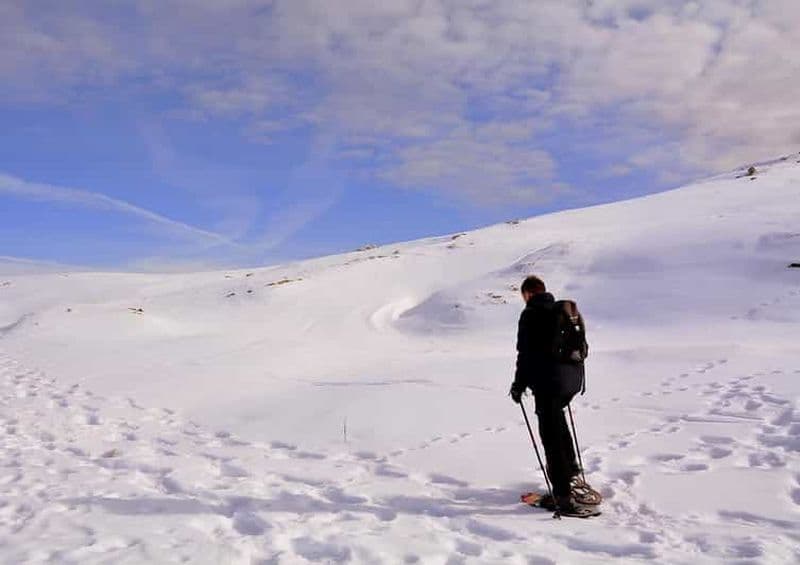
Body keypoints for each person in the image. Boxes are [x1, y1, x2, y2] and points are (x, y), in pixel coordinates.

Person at [509, 275, 586, 513]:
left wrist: (518, 385)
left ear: (528, 294)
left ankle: (562, 495)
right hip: (570, 382)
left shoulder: (531, 314)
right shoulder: (560, 310)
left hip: (548, 384)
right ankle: (572, 471)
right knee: (558, 421)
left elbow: (525, 354)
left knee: (550, 438)